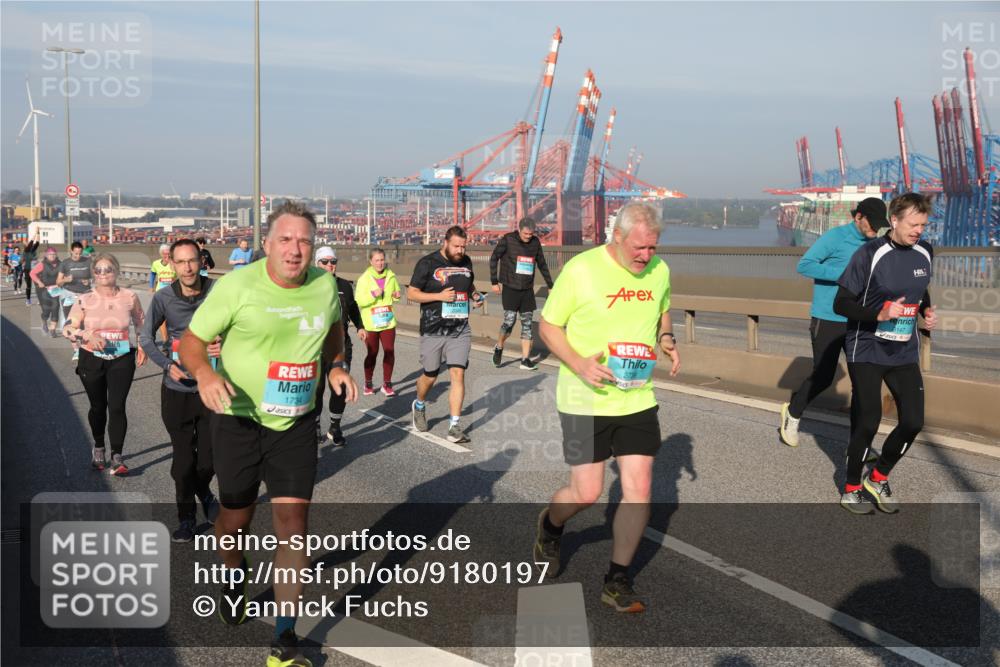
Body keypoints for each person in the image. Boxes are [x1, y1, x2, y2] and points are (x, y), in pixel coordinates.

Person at [179, 201, 357, 667]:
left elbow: (333, 330)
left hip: (295, 424)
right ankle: (234, 574)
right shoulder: (237, 286)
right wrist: (205, 374)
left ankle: (284, 638)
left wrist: (336, 365)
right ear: (267, 244)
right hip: (238, 421)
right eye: (285, 240)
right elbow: (191, 343)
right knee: (234, 522)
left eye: (304, 241)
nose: (295, 250)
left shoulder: (324, 286)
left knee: (294, 526)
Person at [533, 202, 680, 613]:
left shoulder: (660, 270)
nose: (646, 256)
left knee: (639, 488)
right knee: (587, 492)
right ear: (617, 236)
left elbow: (663, 308)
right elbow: (548, 325)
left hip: (637, 397)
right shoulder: (582, 270)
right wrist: (579, 363)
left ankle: (617, 580)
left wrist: (666, 338)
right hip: (584, 397)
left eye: (652, 247)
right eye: (639, 248)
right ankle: (551, 524)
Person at [834, 192, 937, 515]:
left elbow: (919, 289)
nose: (919, 230)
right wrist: (877, 314)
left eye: (923, 225)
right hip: (866, 346)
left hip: (903, 349)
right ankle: (851, 487)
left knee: (913, 422)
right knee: (869, 421)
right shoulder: (869, 253)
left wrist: (926, 310)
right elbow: (841, 303)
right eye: (913, 224)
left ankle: (877, 479)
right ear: (894, 220)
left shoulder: (925, 251)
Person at [779, 197, 885, 450]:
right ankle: (793, 412)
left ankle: (859, 444)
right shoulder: (835, 237)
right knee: (824, 376)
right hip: (827, 317)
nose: (875, 229)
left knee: (863, 381)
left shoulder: (876, 244)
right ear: (858, 217)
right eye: (871, 223)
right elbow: (805, 265)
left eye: (879, 225)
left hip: (859, 319)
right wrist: (845, 276)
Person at [139, 239, 221, 542]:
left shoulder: (218, 292)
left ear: (202, 260)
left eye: (192, 260)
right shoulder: (163, 298)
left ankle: (205, 492)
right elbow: (145, 337)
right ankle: (186, 518)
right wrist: (166, 364)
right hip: (177, 390)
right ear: (172, 264)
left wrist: (225, 341)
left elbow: (242, 327)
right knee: (184, 461)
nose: (187, 268)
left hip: (211, 388)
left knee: (209, 461)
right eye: (181, 262)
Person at [62, 253, 147, 475]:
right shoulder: (85, 299)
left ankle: (117, 456)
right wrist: (86, 334)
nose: (103, 273)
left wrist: (142, 346)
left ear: (116, 271)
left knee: (117, 406)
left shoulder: (129, 296)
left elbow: (140, 322)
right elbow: (67, 328)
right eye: (98, 270)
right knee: (98, 407)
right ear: (93, 273)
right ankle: (99, 447)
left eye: (108, 269)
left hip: (122, 357)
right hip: (91, 358)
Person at [407, 226, 484, 444]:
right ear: (446, 243)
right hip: (433, 329)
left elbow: (468, 285)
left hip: (460, 329)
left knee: (458, 374)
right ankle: (419, 404)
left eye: (463, 246)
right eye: (456, 246)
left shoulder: (466, 262)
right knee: (430, 375)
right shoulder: (428, 263)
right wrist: (438, 296)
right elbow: (411, 293)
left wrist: (475, 295)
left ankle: (454, 426)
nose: (460, 250)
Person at [312, 246, 364, 446]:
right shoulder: (307, 285)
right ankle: (315, 424)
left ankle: (335, 427)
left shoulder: (344, 285)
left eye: (333, 261)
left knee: (340, 387)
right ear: (316, 263)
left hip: (341, 346)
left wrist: (360, 326)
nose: (329, 265)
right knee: (317, 389)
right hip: (315, 347)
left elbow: (353, 307)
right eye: (324, 262)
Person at [489, 217, 554, 370]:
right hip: (510, 287)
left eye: (531, 234)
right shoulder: (508, 239)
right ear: (519, 230)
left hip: (527, 289)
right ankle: (499, 346)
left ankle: (525, 360)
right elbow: (494, 258)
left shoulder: (535, 242)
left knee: (527, 325)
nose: (528, 237)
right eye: (525, 234)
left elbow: (542, 264)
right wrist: (494, 281)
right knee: (509, 322)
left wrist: (550, 285)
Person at [355, 248, 401, 396]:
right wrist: (373, 294)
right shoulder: (364, 278)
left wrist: (396, 295)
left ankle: (387, 384)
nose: (380, 263)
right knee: (372, 353)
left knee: (389, 351)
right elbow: (359, 300)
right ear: (371, 261)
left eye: (382, 260)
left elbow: (395, 295)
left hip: (387, 321)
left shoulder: (391, 276)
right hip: (371, 323)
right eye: (377, 260)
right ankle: (368, 383)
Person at [57, 241, 93, 361]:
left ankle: (84, 347)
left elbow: (96, 277)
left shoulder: (88, 261)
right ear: (71, 251)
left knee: (85, 324)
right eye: (75, 253)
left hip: (85, 295)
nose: (78, 256)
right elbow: (58, 282)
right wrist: (65, 280)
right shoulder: (65, 263)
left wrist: (89, 281)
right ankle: (76, 350)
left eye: (80, 253)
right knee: (71, 325)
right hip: (69, 295)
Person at [30, 246, 63, 337]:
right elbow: (32, 273)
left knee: (55, 307)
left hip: (55, 289)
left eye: (54, 254)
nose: (52, 256)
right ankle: (44, 320)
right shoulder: (42, 264)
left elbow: (65, 274)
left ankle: (53, 330)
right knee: (46, 309)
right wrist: (39, 282)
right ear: (46, 255)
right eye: (50, 254)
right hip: (43, 289)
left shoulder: (61, 264)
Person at [22, 231, 40, 305]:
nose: (27, 242)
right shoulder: (26, 250)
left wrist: (38, 232)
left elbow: (37, 242)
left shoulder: (33, 249)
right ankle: (28, 300)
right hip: (27, 270)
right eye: (26, 242)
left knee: (37, 285)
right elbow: (31, 242)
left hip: (34, 270)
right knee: (28, 285)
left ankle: (39, 299)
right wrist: (35, 232)